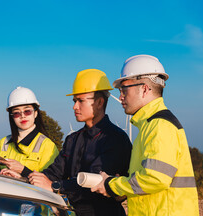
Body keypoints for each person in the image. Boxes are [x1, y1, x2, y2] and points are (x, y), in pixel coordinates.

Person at [92, 55, 199, 215]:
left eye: (124, 89)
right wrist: (124, 189)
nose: (120, 97)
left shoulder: (160, 125)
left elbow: (154, 178)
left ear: (144, 88)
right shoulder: (150, 125)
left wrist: (111, 184)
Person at [27, 69, 132, 216]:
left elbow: (93, 183)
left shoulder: (115, 139)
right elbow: (54, 172)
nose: (74, 107)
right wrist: (24, 177)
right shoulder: (73, 139)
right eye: (74, 101)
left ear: (100, 102)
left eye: (80, 101)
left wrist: (55, 186)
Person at [0, 86, 59, 178]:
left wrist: (22, 172)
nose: (22, 116)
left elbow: (48, 181)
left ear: (35, 113)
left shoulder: (47, 146)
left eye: (27, 111)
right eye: (17, 113)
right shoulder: (3, 143)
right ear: (12, 117)